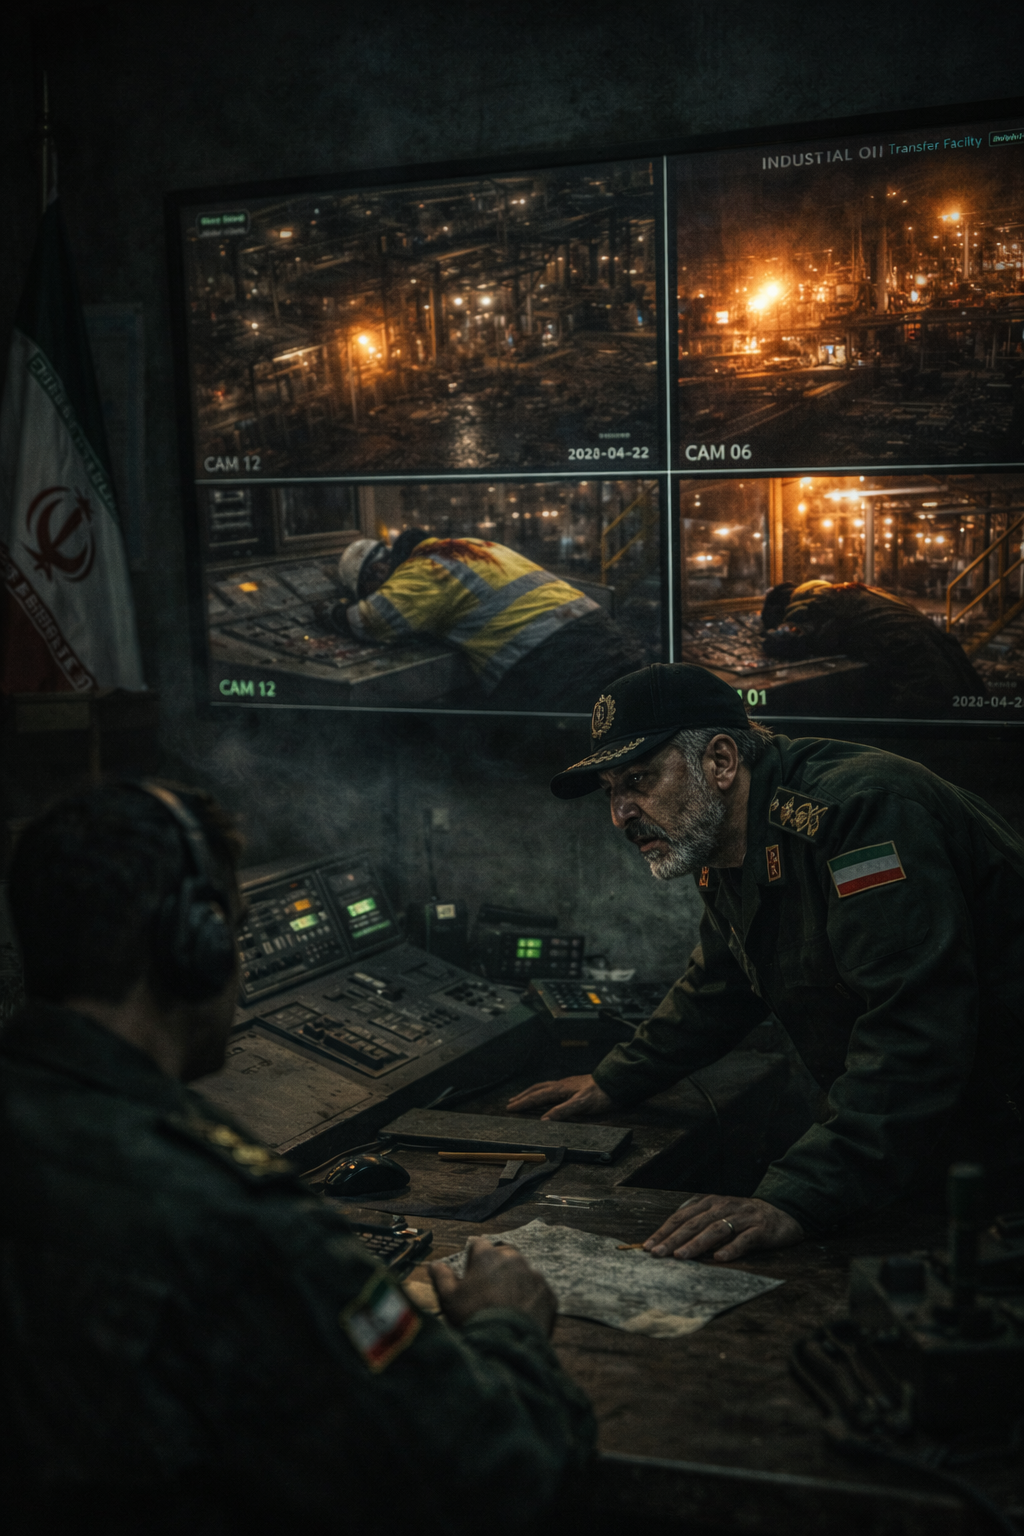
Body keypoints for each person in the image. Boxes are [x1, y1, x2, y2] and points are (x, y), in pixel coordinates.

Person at [0, 781, 594, 1534]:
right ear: (197, 945)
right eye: (236, 933)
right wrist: (509, 1327)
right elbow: (497, 1472)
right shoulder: (233, 1216)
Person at [507, 663, 1024, 1263]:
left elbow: (916, 1028)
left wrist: (799, 1195)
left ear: (721, 761)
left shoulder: (860, 814)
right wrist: (618, 1079)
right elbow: (722, 979)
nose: (621, 813)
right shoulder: (724, 834)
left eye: (639, 780)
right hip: (941, 1128)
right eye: (610, 791)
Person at [329, 529, 645, 712]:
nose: (377, 595)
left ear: (376, 571)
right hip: (604, 637)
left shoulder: (422, 569)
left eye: (369, 591)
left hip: (556, 663)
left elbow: (366, 621)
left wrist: (331, 611)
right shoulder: (470, 546)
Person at [760, 578, 987, 715]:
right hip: (947, 657)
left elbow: (792, 640)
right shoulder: (855, 591)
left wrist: (771, 637)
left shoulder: (814, 600)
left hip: (917, 669)